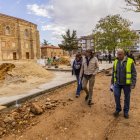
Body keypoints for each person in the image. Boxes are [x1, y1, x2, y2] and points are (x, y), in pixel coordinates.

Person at [111, 49, 137, 119]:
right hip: (117, 83)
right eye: (117, 54)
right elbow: (113, 73)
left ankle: (126, 112)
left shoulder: (130, 61)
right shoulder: (116, 61)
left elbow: (134, 73)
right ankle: (118, 109)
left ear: (124, 54)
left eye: (120, 54)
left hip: (127, 84)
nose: (118, 56)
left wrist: (133, 83)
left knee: (127, 98)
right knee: (116, 95)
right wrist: (112, 83)